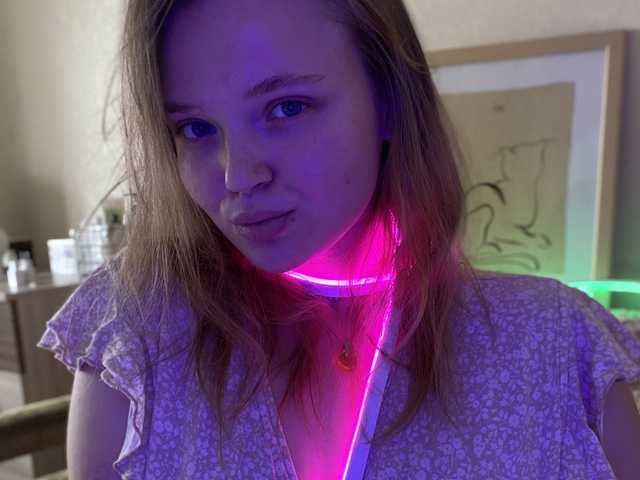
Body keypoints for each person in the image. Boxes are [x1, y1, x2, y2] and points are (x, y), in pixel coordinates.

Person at [37, 0, 640, 478]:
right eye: (195, 128)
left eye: (286, 108)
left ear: (388, 99)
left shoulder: (558, 355)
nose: (238, 176)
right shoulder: (136, 340)